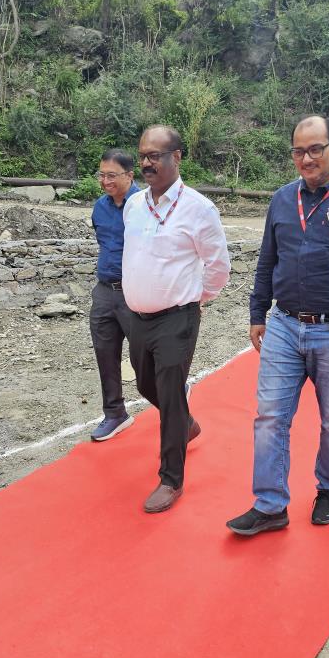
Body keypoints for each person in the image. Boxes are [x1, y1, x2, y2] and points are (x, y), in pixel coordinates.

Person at [226, 115, 329, 536]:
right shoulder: (283, 200)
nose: (307, 158)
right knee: (269, 417)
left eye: (315, 149)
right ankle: (270, 505)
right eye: (299, 151)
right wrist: (257, 312)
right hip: (284, 325)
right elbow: (268, 259)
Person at [122, 125, 231, 513]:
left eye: (156, 156)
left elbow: (219, 265)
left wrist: (199, 299)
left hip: (178, 317)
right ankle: (184, 422)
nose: (148, 163)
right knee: (144, 384)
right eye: (143, 156)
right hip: (138, 316)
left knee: (169, 391)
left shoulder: (199, 209)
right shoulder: (134, 205)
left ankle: (171, 479)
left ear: (177, 157)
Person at [88, 149, 140, 441]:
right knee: (105, 354)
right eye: (102, 175)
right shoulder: (99, 207)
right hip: (105, 291)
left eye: (112, 175)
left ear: (130, 176)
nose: (105, 180)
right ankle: (115, 413)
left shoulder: (146, 205)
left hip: (137, 293)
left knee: (145, 358)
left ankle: (172, 398)